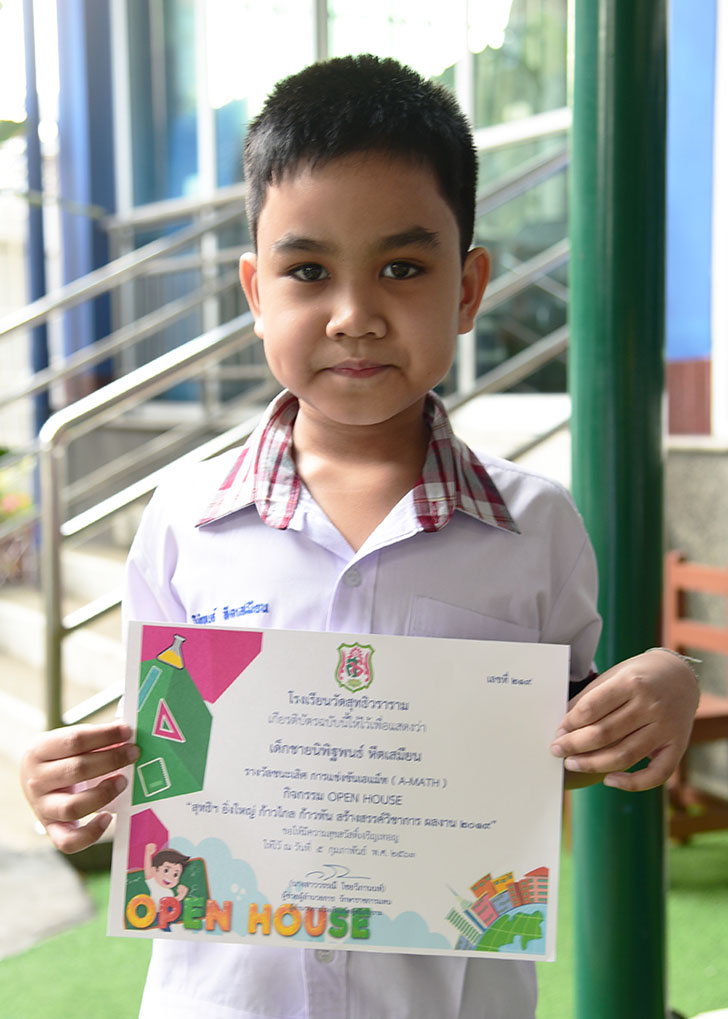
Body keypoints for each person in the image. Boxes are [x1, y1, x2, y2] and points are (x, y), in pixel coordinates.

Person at [21, 54, 698, 1019]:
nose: (354, 315)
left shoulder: (536, 525)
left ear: (467, 289)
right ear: (256, 291)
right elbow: (166, 769)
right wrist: (74, 781)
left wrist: (661, 687)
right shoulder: (184, 520)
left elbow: (554, 748)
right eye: (307, 271)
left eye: (402, 268)